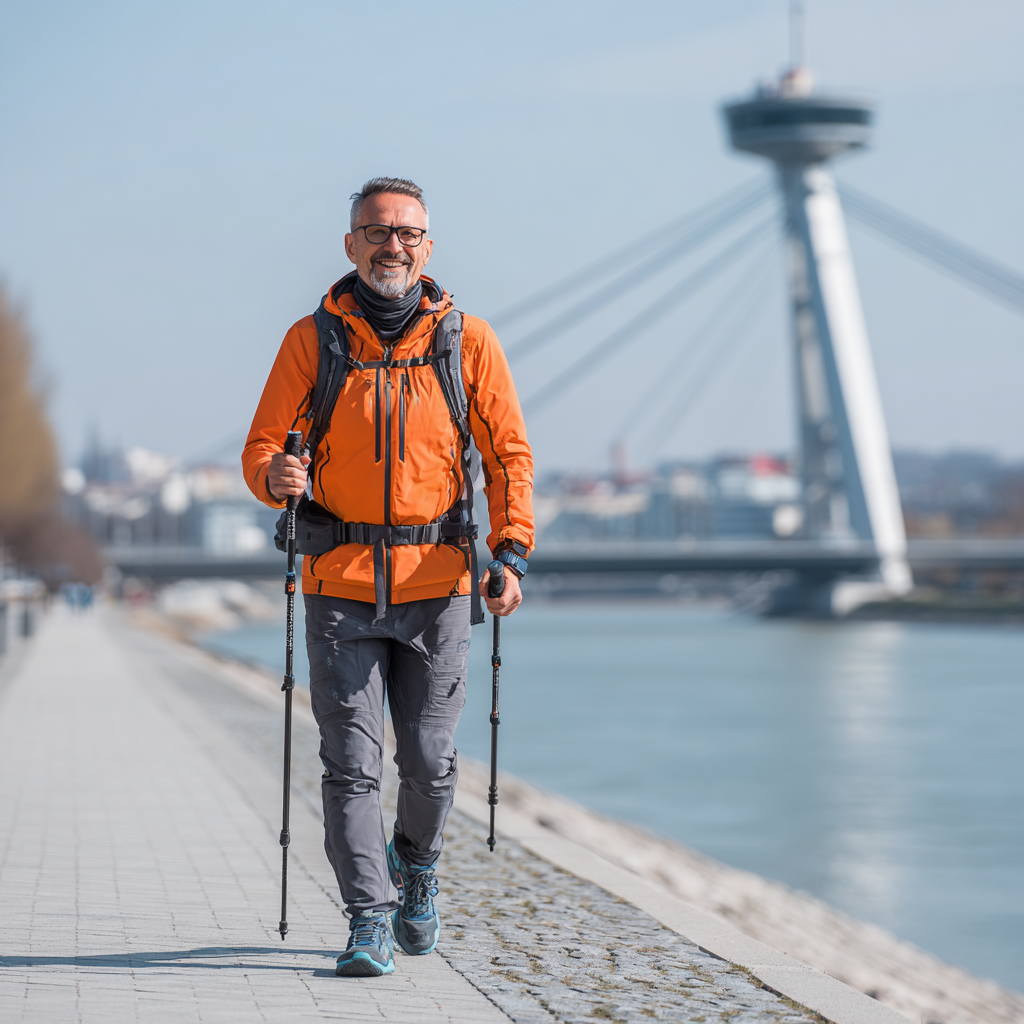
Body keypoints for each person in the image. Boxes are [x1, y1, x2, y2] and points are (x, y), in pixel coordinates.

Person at [243, 177, 533, 977]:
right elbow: (262, 446)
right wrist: (277, 478)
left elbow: (509, 455)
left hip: (437, 586)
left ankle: (417, 865)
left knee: (432, 762)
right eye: (376, 232)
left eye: (407, 233)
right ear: (351, 245)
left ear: (428, 248)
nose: (392, 246)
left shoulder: (466, 342)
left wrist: (509, 553)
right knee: (349, 764)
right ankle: (367, 918)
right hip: (339, 586)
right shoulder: (314, 340)